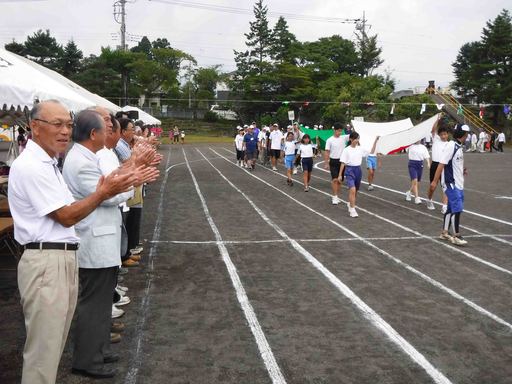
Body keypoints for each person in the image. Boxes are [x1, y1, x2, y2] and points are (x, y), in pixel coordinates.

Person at [8, 100, 136, 384]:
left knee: (52, 346)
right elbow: (66, 216)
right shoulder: (32, 166)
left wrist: (107, 189)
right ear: (35, 127)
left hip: (57, 258)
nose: (65, 131)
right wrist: (103, 193)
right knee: (43, 352)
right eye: (57, 124)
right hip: (46, 261)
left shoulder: (48, 163)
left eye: (68, 124)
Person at [430, 124, 470, 246]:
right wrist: (434, 181)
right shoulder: (451, 146)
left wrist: (462, 170)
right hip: (450, 182)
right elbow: (441, 164)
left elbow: (454, 162)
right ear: (464, 135)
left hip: (458, 182)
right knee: (457, 206)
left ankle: (444, 232)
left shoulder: (458, 146)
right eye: (466, 134)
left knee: (451, 208)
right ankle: (456, 235)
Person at [338, 132, 379, 218]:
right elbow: (343, 163)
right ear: (351, 139)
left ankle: (350, 203)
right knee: (352, 189)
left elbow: (371, 151)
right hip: (349, 170)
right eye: (355, 139)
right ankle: (352, 209)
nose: (357, 140)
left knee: (355, 190)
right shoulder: (346, 150)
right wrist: (340, 175)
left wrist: (376, 140)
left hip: (358, 170)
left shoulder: (360, 149)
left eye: (358, 139)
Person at [426, 117, 449, 212]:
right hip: (435, 165)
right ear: (439, 135)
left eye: (445, 134)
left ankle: (444, 206)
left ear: (448, 134)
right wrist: (438, 119)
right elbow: (433, 130)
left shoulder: (449, 144)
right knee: (432, 186)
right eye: (442, 135)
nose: (443, 136)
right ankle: (429, 200)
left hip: (444, 166)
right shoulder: (436, 139)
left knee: (445, 187)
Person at [324, 122, 349, 205]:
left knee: (340, 180)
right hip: (333, 161)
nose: (340, 132)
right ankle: (334, 196)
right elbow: (327, 152)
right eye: (338, 131)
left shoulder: (344, 138)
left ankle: (337, 195)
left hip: (342, 162)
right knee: (335, 179)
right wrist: (326, 163)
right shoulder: (329, 140)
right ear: (334, 130)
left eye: (341, 131)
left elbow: (354, 135)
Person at [405, 140, 431, 205]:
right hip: (412, 164)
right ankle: (417, 198)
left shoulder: (423, 147)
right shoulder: (410, 146)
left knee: (417, 183)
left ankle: (409, 192)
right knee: (415, 181)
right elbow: (404, 147)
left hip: (420, 165)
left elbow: (427, 156)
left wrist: (428, 163)